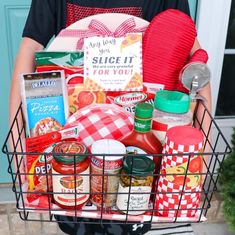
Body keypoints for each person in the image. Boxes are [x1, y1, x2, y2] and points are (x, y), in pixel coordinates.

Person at [10, 0, 212, 234]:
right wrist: (17, 150)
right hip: (74, 164)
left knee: (133, 213)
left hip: (141, 168)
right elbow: (30, 47)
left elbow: (194, 59)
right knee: (75, 219)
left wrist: (201, 160)